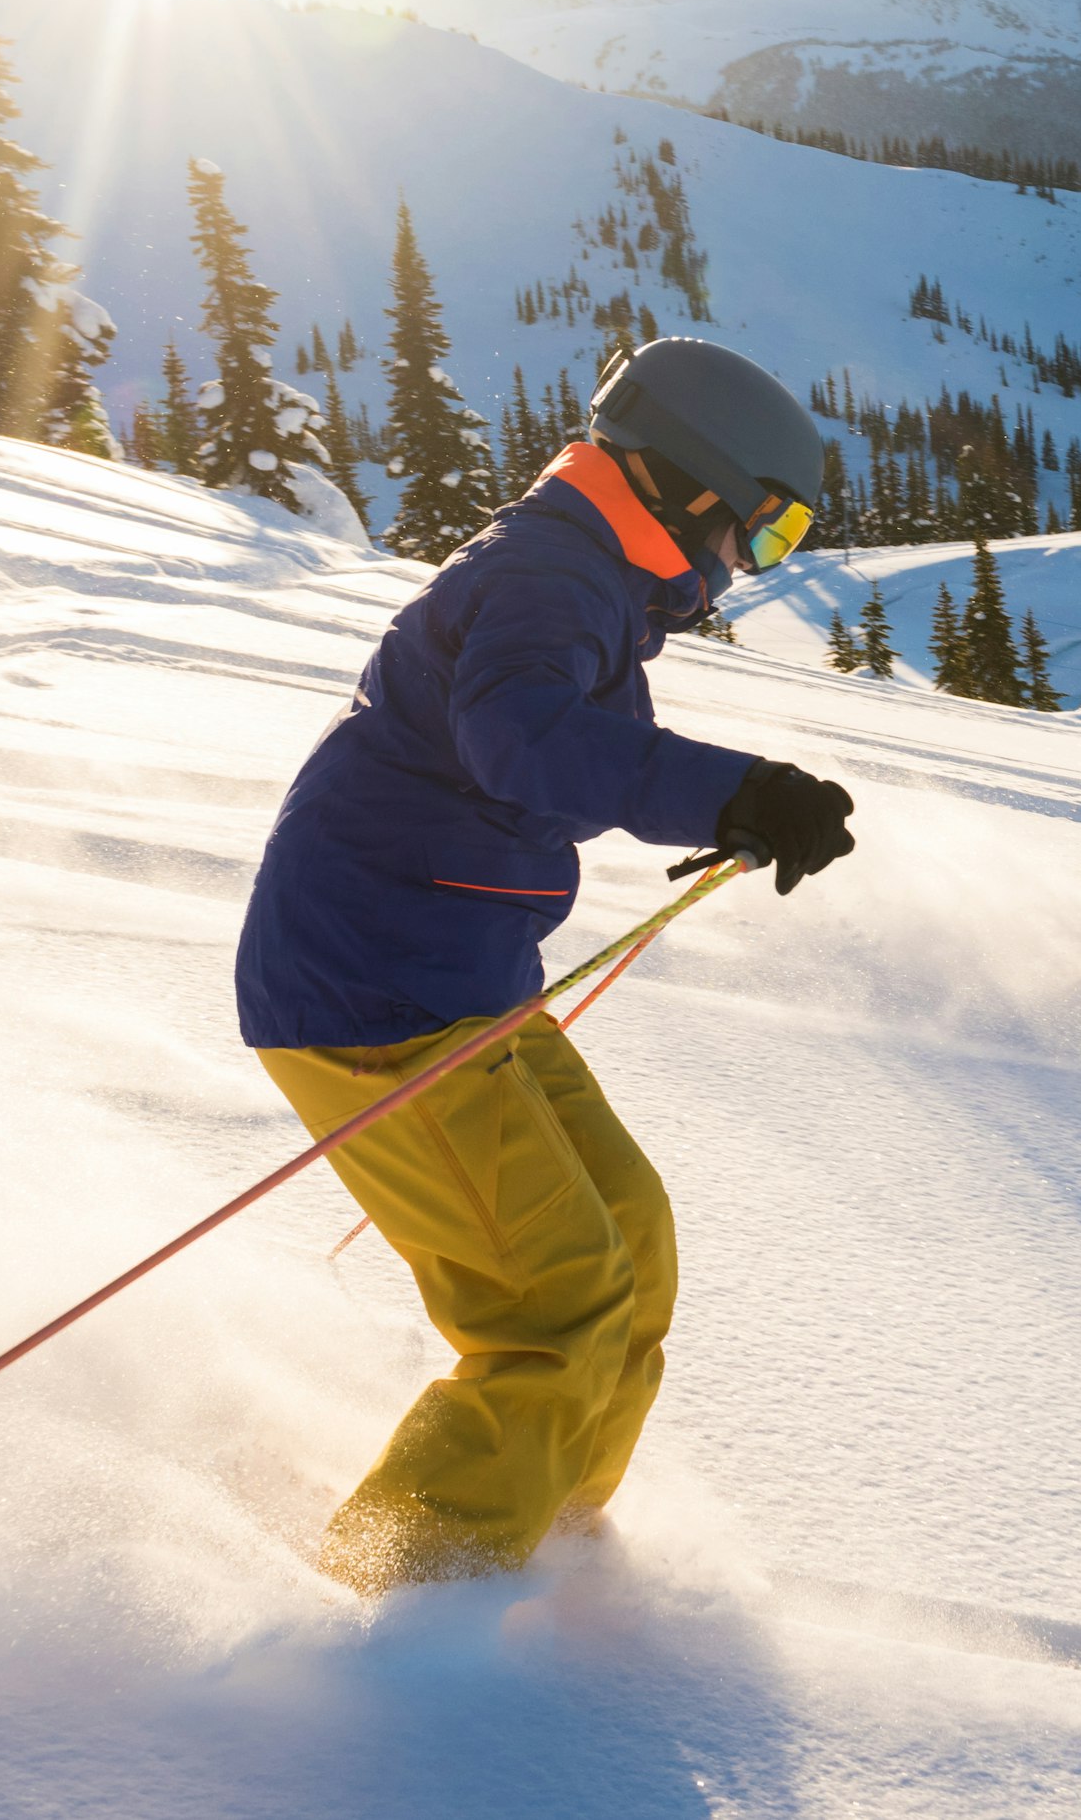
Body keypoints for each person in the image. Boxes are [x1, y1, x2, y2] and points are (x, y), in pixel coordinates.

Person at [234, 337, 858, 1592]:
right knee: (555, 1304)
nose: (751, 564)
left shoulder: (585, 580)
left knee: (630, 1234)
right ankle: (409, 1587)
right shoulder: (548, 582)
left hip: (452, 979)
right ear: (686, 485)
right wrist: (734, 788)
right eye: (764, 531)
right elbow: (524, 740)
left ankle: (550, 1530)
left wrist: (730, 797)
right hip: (370, 993)